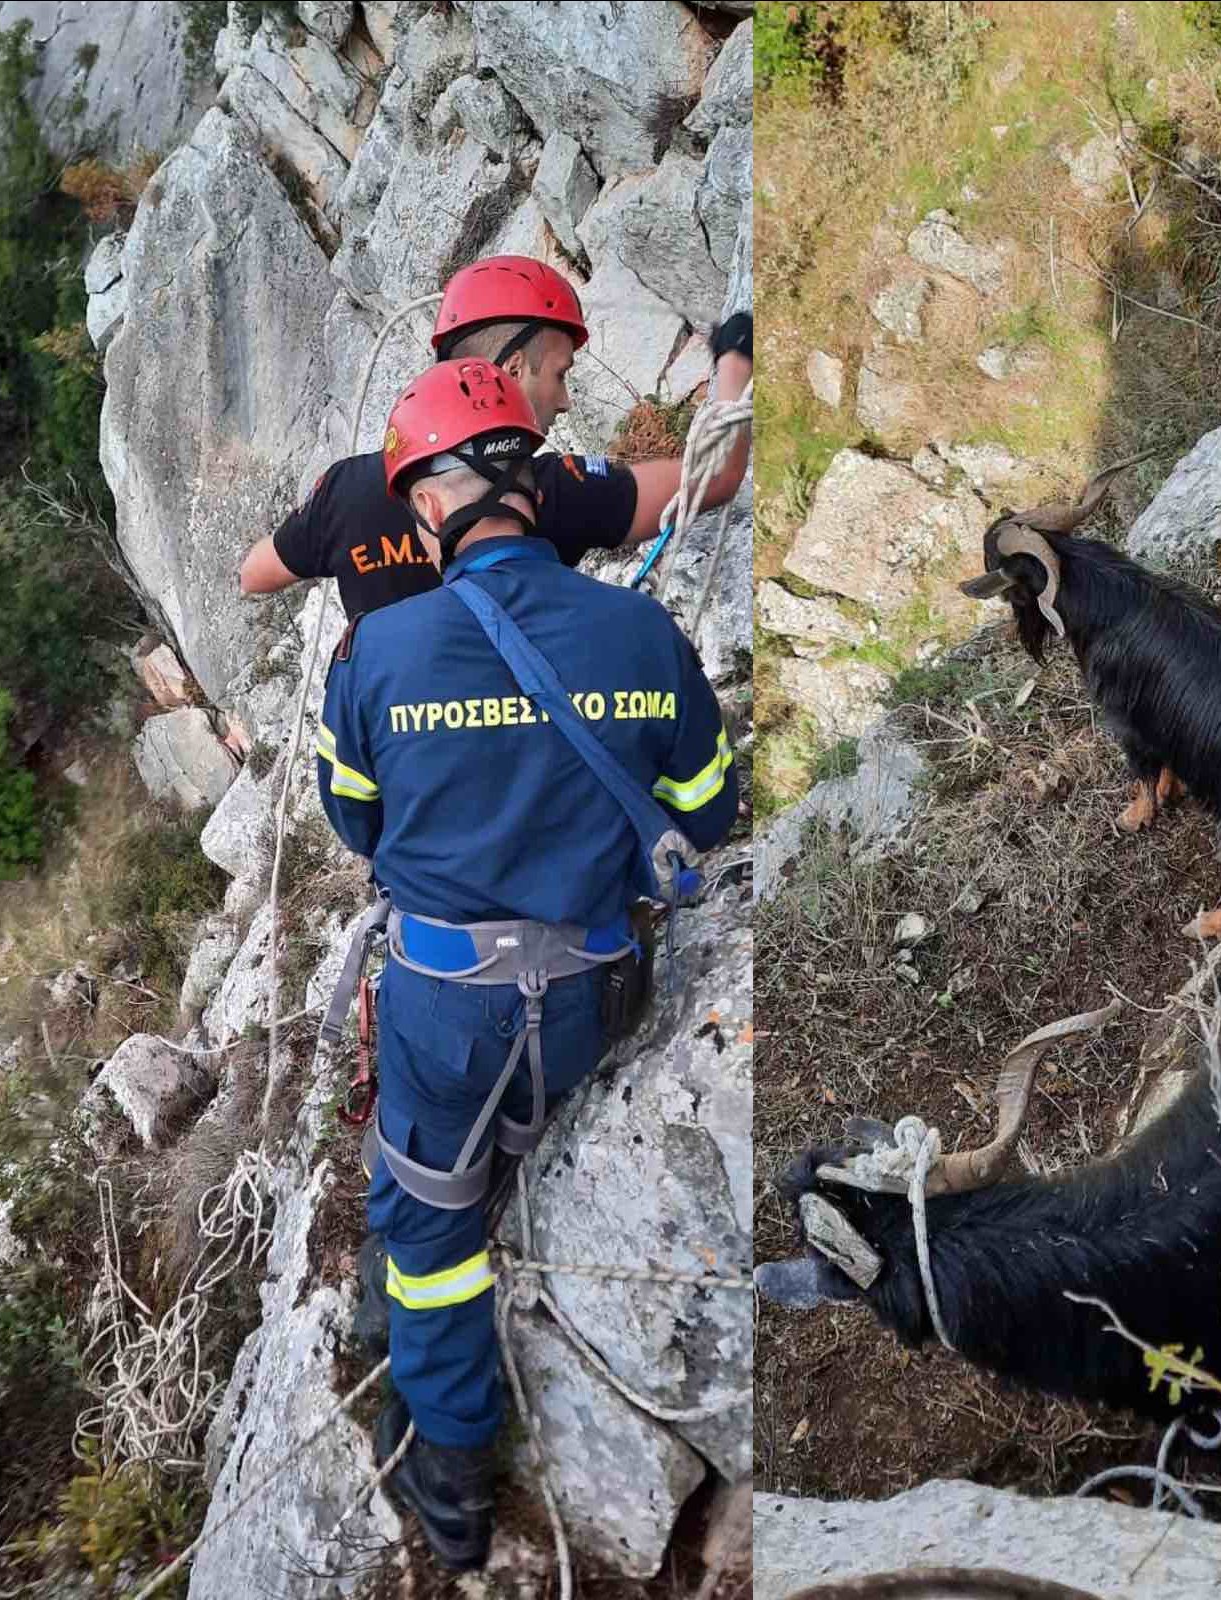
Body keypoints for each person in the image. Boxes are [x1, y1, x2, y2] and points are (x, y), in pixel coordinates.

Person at [315, 358, 737, 1570]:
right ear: (535, 492)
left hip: (446, 1014)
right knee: (448, 1166)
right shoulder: (640, 629)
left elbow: (357, 823)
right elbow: (702, 811)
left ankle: (451, 1479)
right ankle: (407, 1296)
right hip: (593, 1004)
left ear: (432, 504)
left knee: (436, 1226)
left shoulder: (380, 651)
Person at [241, 254, 753, 617]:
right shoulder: (552, 494)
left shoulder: (344, 491)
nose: (566, 398)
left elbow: (254, 574)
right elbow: (717, 475)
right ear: (509, 372)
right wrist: (735, 359)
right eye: (559, 373)